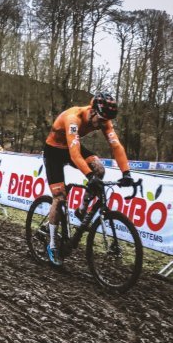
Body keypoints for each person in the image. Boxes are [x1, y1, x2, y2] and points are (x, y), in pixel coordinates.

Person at [43, 92, 133, 264]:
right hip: (54, 151)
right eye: (99, 121)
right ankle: (52, 245)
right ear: (92, 111)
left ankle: (82, 209)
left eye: (103, 122)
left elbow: (117, 147)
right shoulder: (73, 119)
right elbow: (75, 154)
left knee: (99, 168)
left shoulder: (104, 120)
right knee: (60, 197)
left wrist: (126, 173)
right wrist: (89, 176)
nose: (100, 126)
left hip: (70, 147)